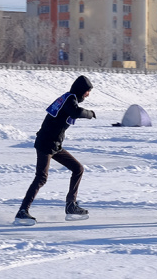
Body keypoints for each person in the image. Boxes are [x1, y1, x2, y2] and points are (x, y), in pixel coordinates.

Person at [14, 75, 97, 226]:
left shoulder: (67, 98)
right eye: (87, 91)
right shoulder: (69, 99)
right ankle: (22, 211)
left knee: (78, 168)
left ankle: (71, 206)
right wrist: (90, 113)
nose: (88, 95)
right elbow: (76, 112)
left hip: (54, 144)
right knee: (41, 177)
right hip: (46, 143)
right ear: (81, 90)